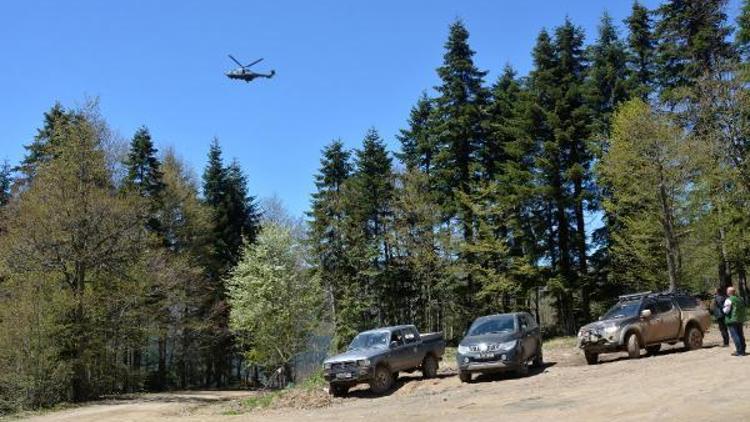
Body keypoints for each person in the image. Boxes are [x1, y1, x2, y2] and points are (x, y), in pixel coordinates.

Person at [723, 286, 747, 356]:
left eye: (727, 291)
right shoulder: (740, 299)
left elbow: (726, 311)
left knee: (735, 336)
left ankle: (739, 351)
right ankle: (743, 350)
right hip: (740, 319)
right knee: (740, 335)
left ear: (729, 292)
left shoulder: (729, 300)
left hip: (732, 320)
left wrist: (723, 310)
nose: (726, 292)